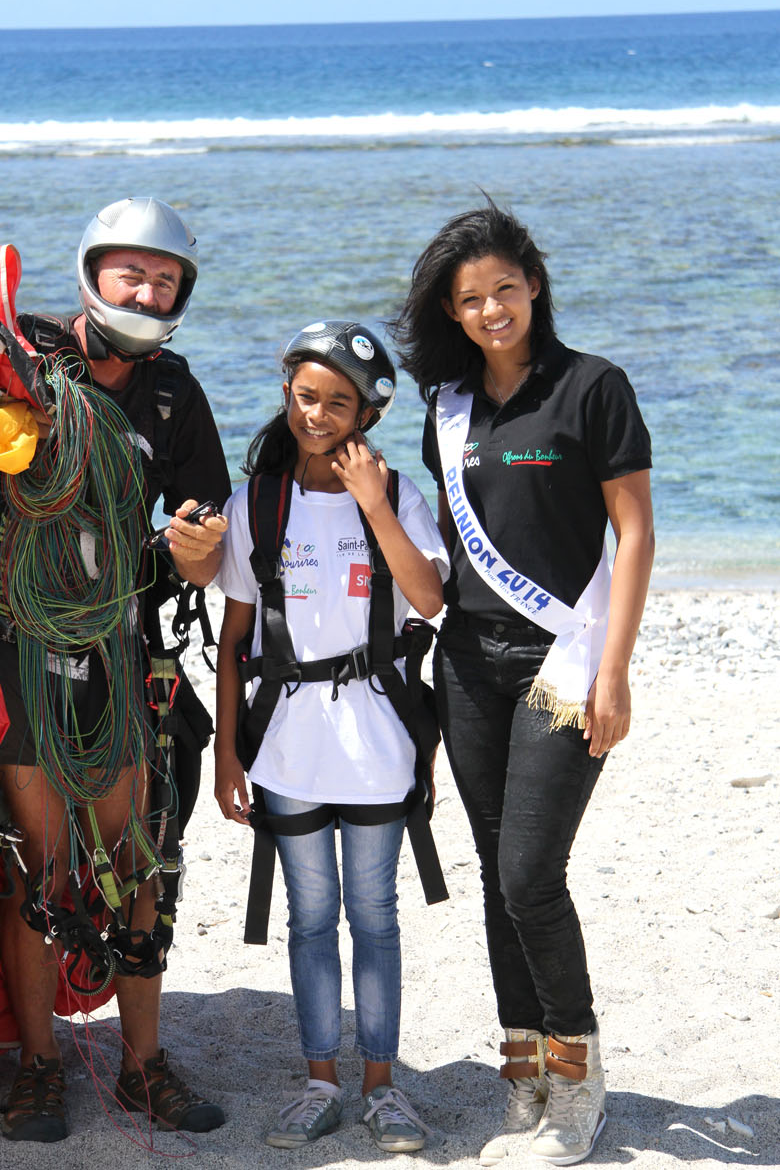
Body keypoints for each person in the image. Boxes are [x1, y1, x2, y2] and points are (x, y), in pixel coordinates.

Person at [0, 196, 231, 1143]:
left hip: (119, 642)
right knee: (39, 864)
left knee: (136, 862)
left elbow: (204, 535)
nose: (146, 289)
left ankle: (143, 1065)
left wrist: (196, 548)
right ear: (93, 273)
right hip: (19, 647)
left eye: (164, 277)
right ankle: (38, 1068)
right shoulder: (18, 356)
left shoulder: (172, 395)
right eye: (131, 272)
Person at [392, 200, 654, 1167]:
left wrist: (615, 671)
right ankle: (525, 1068)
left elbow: (634, 533)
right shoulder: (447, 410)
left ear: (534, 285)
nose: (493, 307)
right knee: (498, 871)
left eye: (506, 287)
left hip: (565, 661)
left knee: (530, 874)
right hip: (467, 661)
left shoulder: (593, 388)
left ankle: (579, 1077)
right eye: (472, 298)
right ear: (452, 315)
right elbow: (442, 550)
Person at [213, 321, 448, 1153]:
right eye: (306, 397)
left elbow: (426, 599)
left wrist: (376, 504)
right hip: (285, 743)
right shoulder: (258, 503)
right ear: (287, 395)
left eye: (338, 403)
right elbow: (235, 636)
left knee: (374, 916)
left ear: (367, 415)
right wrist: (225, 750)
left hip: (380, 737)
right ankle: (320, 1082)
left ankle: (382, 1087)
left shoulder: (398, 495)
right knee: (311, 918)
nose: (318, 414)